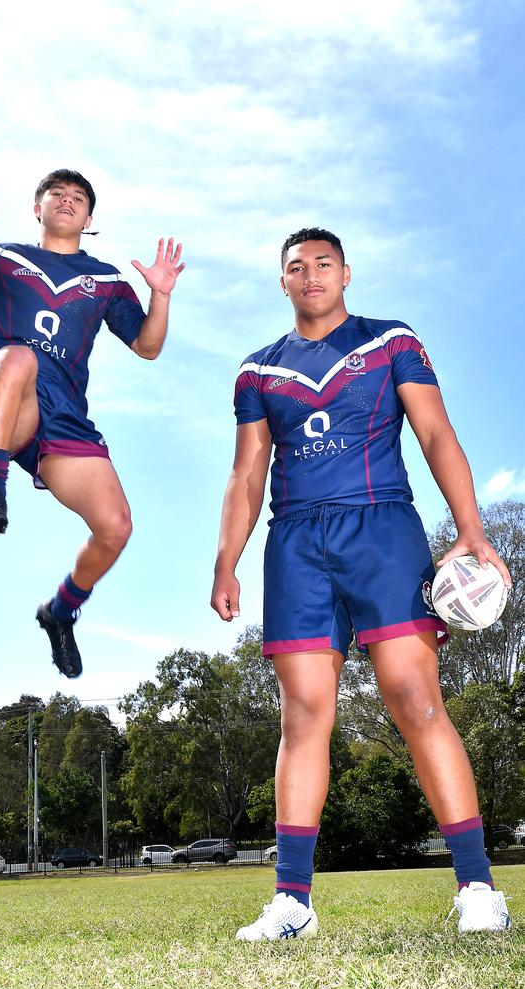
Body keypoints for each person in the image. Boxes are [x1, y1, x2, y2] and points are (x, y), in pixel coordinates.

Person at [211, 227, 512, 940]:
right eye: (296, 267)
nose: (310, 275)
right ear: (281, 282)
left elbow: (436, 433)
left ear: (345, 273)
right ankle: (293, 903)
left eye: (322, 263)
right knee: (304, 714)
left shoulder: (390, 342)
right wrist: (226, 559)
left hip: (382, 532)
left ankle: (477, 887)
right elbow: (247, 473)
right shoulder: (258, 371)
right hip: (296, 541)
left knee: (414, 698)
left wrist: (469, 529)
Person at [0, 155, 185, 679]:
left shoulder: (106, 281)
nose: (68, 199)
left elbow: (147, 346)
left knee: (116, 527)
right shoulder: (4, 258)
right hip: (8, 405)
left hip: (67, 421)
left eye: (79, 196)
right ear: (37, 208)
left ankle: (61, 611)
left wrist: (159, 296)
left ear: (90, 218)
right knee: (17, 356)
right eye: (57, 192)